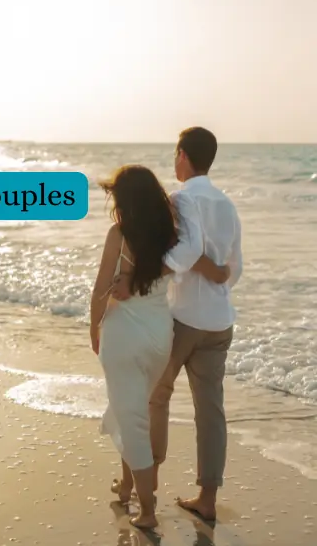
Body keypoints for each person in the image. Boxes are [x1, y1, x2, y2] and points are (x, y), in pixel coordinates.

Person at [113, 127, 243, 522]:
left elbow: (184, 250)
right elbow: (231, 270)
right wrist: (213, 272)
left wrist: (141, 281)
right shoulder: (227, 204)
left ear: (183, 155)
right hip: (220, 321)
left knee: (155, 398)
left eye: (175, 154)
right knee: (211, 409)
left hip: (183, 318)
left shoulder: (181, 198)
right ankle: (207, 498)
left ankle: (143, 488)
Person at [90, 164, 229, 529]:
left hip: (124, 334)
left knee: (133, 417)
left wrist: (93, 326)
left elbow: (101, 287)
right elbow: (189, 258)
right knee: (128, 407)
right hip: (159, 336)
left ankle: (148, 511)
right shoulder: (170, 235)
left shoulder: (119, 234)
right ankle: (125, 487)